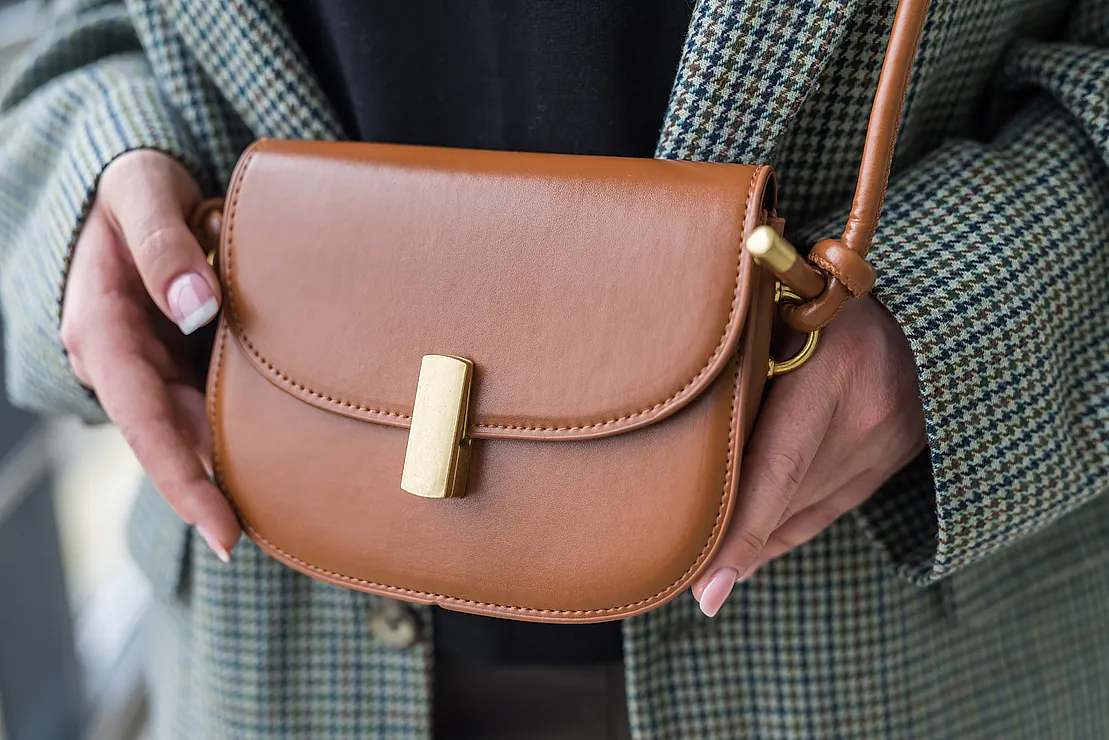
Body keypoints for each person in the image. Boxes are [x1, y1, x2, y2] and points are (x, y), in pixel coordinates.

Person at [2, 0, 1107, 738]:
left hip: (902, 651)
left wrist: (961, 316)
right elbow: (72, 28)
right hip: (270, 647)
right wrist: (90, 177)